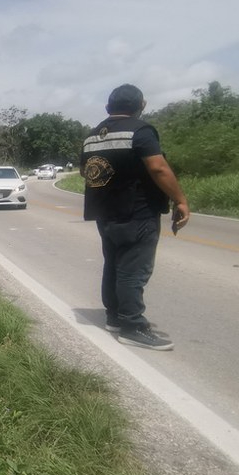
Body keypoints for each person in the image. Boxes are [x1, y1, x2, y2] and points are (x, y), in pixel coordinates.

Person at [81, 84, 190, 351]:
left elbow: (87, 172)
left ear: (108, 107)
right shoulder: (140, 131)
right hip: (136, 212)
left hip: (105, 213)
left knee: (113, 263)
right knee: (133, 270)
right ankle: (132, 326)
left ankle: (114, 317)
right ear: (140, 106)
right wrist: (180, 200)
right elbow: (158, 167)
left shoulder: (92, 137)